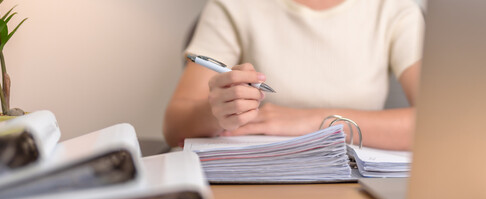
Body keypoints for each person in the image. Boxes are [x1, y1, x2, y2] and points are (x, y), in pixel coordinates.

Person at [163, 0, 424, 150]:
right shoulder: (234, 5)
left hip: (355, 190)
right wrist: (219, 111)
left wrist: (315, 122)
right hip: (251, 188)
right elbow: (174, 126)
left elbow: (440, 124)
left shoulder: (395, 9)